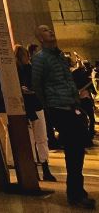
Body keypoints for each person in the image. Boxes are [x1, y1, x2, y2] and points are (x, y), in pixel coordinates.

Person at [33, 22, 96, 208]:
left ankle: (76, 190)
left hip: (71, 105)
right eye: (45, 30)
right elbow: (37, 85)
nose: (50, 31)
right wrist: (49, 105)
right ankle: (76, 193)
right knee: (73, 147)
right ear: (40, 38)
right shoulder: (40, 59)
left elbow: (67, 79)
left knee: (77, 148)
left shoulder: (60, 56)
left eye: (49, 29)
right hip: (58, 107)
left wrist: (75, 97)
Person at [15, 43, 54, 182]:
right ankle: (44, 167)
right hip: (35, 106)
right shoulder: (31, 69)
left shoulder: (17, 71)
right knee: (41, 138)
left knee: (33, 139)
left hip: (26, 107)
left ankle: (36, 169)